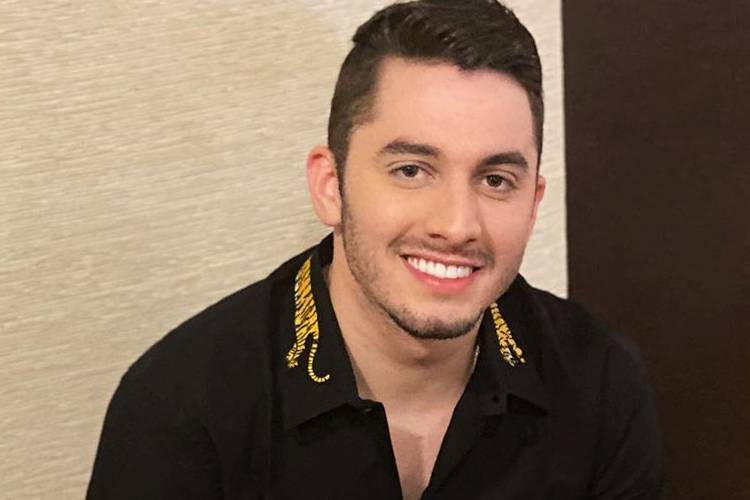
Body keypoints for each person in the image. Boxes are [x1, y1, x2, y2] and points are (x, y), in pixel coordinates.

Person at [87, 1, 663, 499]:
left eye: (496, 181)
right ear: (330, 186)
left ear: (533, 203)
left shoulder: (598, 383)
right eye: (411, 170)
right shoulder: (183, 409)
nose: (457, 225)